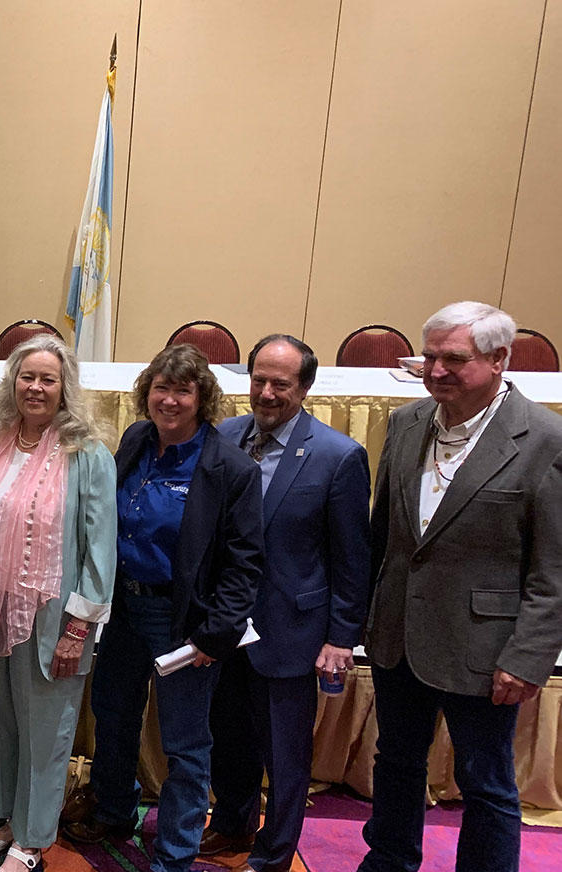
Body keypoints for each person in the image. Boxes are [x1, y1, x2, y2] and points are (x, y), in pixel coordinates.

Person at [358, 302, 562, 872]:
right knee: (396, 760)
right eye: (429, 357)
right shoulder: (405, 423)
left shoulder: (547, 439)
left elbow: (555, 570)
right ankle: (389, 862)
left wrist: (527, 657)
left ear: (500, 359)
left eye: (453, 358)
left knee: (485, 780)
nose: (436, 370)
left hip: (486, 650)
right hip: (398, 635)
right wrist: (365, 622)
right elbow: (385, 537)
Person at [64, 344, 263, 872]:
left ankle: (175, 852)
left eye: (182, 391)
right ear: (145, 393)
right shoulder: (136, 440)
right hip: (124, 611)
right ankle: (113, 811)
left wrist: (214, 635)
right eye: (160, 388)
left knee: (185, 742)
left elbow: (245, 564)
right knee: (113, 715)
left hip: (184, 622)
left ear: (202, 400)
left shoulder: (230, 467)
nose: (169, 400)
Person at [0, 336, 117, 872]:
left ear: (65, 387)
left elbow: (101, 548)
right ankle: (13, 819)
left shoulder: (86, 454)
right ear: (11, 382)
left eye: (48, 378)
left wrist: (77, 628)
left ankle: (35, 839)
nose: (36, 388)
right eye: (27, 377)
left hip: (51, 617)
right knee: (4, 722)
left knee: (47, 728)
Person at [203, 335, 371, 872]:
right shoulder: (225, 436)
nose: (267, 393)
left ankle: (273, 853)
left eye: (281, 383)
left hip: (290, 631)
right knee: (228, 741)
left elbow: (352, 558)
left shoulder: (338, 455)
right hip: (226, 627)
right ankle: (230, 826)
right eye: (259, 380)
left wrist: (342, 636)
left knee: (285, 754)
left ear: (305, 387)